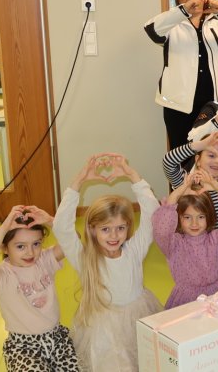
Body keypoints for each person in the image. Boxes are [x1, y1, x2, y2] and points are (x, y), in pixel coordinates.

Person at [53, 154, 162, 371]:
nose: (114, 236)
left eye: (120, 228)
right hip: (103, 327)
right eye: (105, 229)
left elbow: (153, 213)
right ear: (92, 229)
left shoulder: (133, 250)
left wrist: (132, 176)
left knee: (144, 362)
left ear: (128, 227)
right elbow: (61, 226)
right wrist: (79, 181)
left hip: (138, 317)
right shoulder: (85, 257)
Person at [144, 0, 218, 150]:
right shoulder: (172, 26)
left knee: (216, 153)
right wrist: (182, 12)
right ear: (178, 0)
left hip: (215, 103)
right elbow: (151, 29)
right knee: (181, 154)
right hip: (179, 105)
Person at [0, 206, 80, 371]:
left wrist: (51, 221)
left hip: (58, 339)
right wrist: (3, 229)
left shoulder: (45, 260)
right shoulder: (2, 275)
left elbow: (73, 239)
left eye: (36, 244)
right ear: (4, 247)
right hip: (23, 348)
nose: (30, 252)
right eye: (20, 246)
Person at [152, 172, 218, 308]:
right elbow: (161, 227)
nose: (194, 224)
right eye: (187, 217)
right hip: (184, 301)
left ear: (209, 216)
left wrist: (216, 186)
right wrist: (178, 193)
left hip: (215, 298)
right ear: (178, 217)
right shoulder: (173, 243)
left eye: (201, 217)